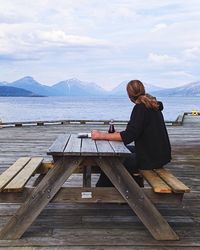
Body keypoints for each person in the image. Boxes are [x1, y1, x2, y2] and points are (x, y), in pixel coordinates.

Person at [91, 79, 171, 187]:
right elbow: (135, 131)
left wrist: (101, 135)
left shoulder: (140, 108)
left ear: (129, 94)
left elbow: (129, 136)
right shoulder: (152, 105)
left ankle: (102, 190)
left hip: (150, 160)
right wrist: (115, 135)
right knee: (122, 150)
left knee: (111, 160)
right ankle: (134, 186)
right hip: (160, 155)